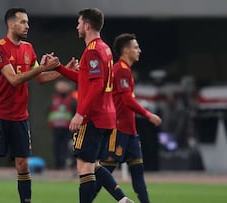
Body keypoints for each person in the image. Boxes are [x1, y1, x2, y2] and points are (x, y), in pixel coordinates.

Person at [0, 8, 61, 203]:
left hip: (20, 117)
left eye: (27, 22)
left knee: (23, 165)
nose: (27, 25)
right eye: (23, 22)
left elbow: (40, 78)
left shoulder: (29, 48)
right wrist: (43, 68)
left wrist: (63, 71)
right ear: (10, 24)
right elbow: (13, 79)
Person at [55, 8, 134, 203]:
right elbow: (85, 79)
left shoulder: (92, 51)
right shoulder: (104, 48)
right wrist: (58, 68)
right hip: (107, 115)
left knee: (84, 166)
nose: (77, 26)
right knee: (94, 165)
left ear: (87, 25)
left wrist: (80, 114)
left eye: (79, 23)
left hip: (92, 116)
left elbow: (97, 85)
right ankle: (122, 200)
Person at [95, 33, 162, 203]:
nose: (139, 50)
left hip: (130, 131)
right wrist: (148, 114)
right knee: (105, 171)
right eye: (136, 47)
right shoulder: (121, 70)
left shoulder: (126, 70)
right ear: (125, 50)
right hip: (118, 129)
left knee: (138, 173)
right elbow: (126, 100)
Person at [47, 80, 76, 169]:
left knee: (67, 147)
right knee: (56, 147)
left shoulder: (72, 99)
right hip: (56, 128)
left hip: (68, 128)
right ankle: (57, 166)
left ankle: (66, 165)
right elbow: (49, 111)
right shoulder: (53, 98)